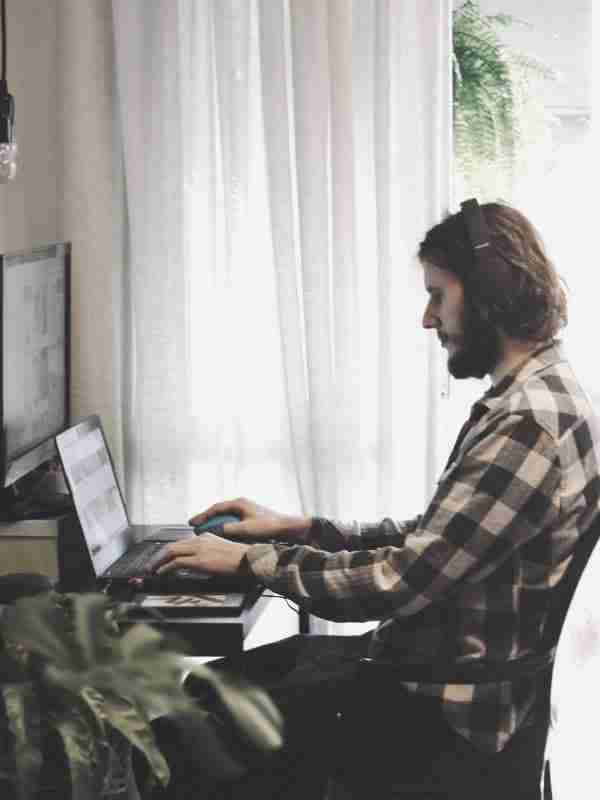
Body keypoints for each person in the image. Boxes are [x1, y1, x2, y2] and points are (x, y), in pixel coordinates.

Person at [148, 200, 600, 799]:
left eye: (437, 296)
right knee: (212, 690)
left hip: (446, 717)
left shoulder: (527, 426)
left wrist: (252, 561)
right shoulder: (543, 394)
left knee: (187, 733)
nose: (428, 319)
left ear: (488, 295)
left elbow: (397, 582)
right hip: (442, 679)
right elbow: (440, 540)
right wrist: (301, 528)